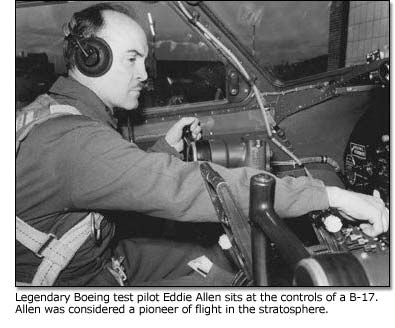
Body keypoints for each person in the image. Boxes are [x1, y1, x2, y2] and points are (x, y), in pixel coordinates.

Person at [16, 3, 388, 286]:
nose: (144, 74)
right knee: (227, 285)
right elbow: (194, 189)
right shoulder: (73, 141)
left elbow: (110, 176)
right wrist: (330, 196)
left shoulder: (60, 113)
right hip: (69, 285)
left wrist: (163, 149)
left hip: (95, 256)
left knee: (217, 258)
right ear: (90, 59)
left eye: (145, 60)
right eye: (132, 59)